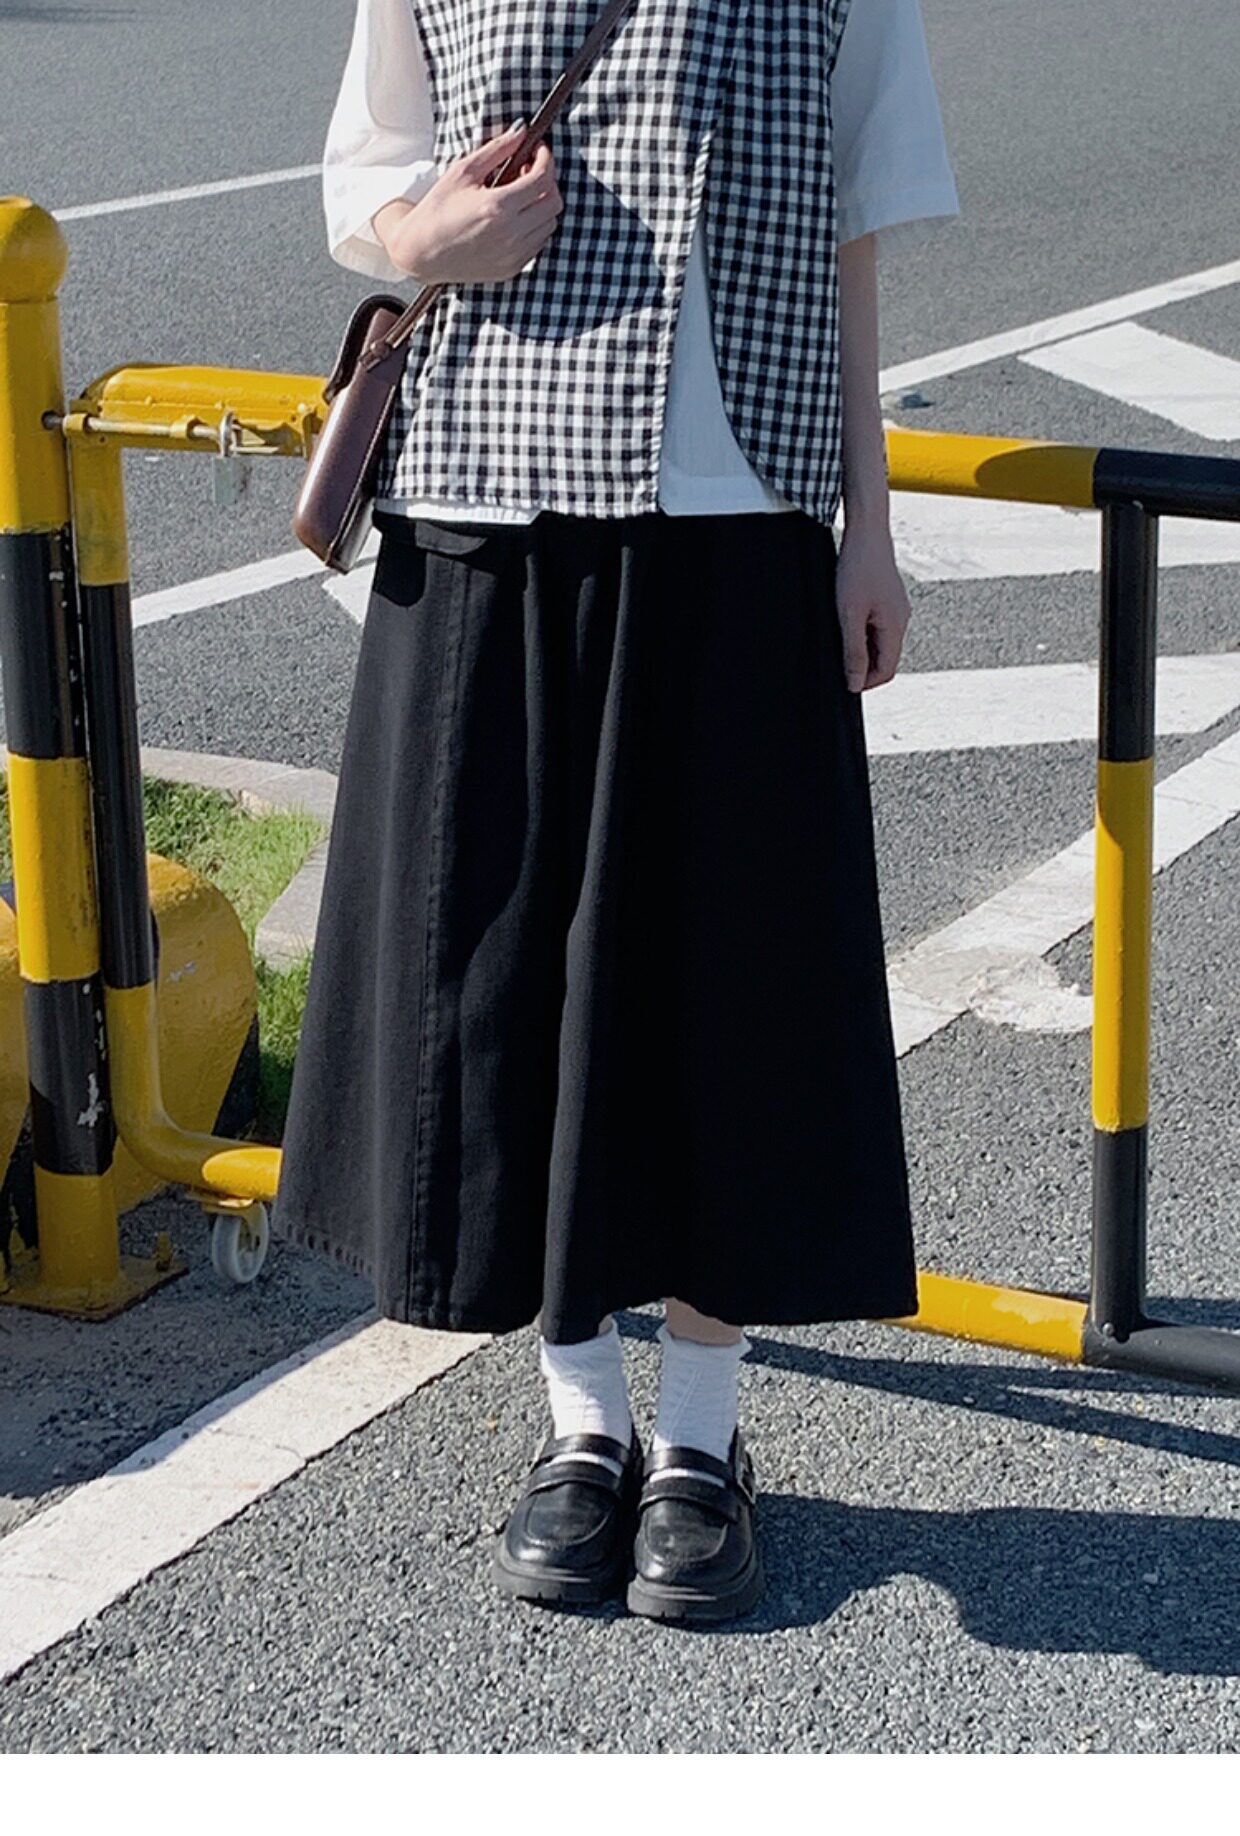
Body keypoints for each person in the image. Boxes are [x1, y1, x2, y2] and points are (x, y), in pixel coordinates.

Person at [274, 0, 961, 1625]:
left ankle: (703, 1440)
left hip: (741, 507)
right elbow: (368, 167)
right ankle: (581, 1420)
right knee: (503, 980)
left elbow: (853, 220)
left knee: (729, 983)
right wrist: (425, 234)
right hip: (486, 494)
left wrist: (869, 525)